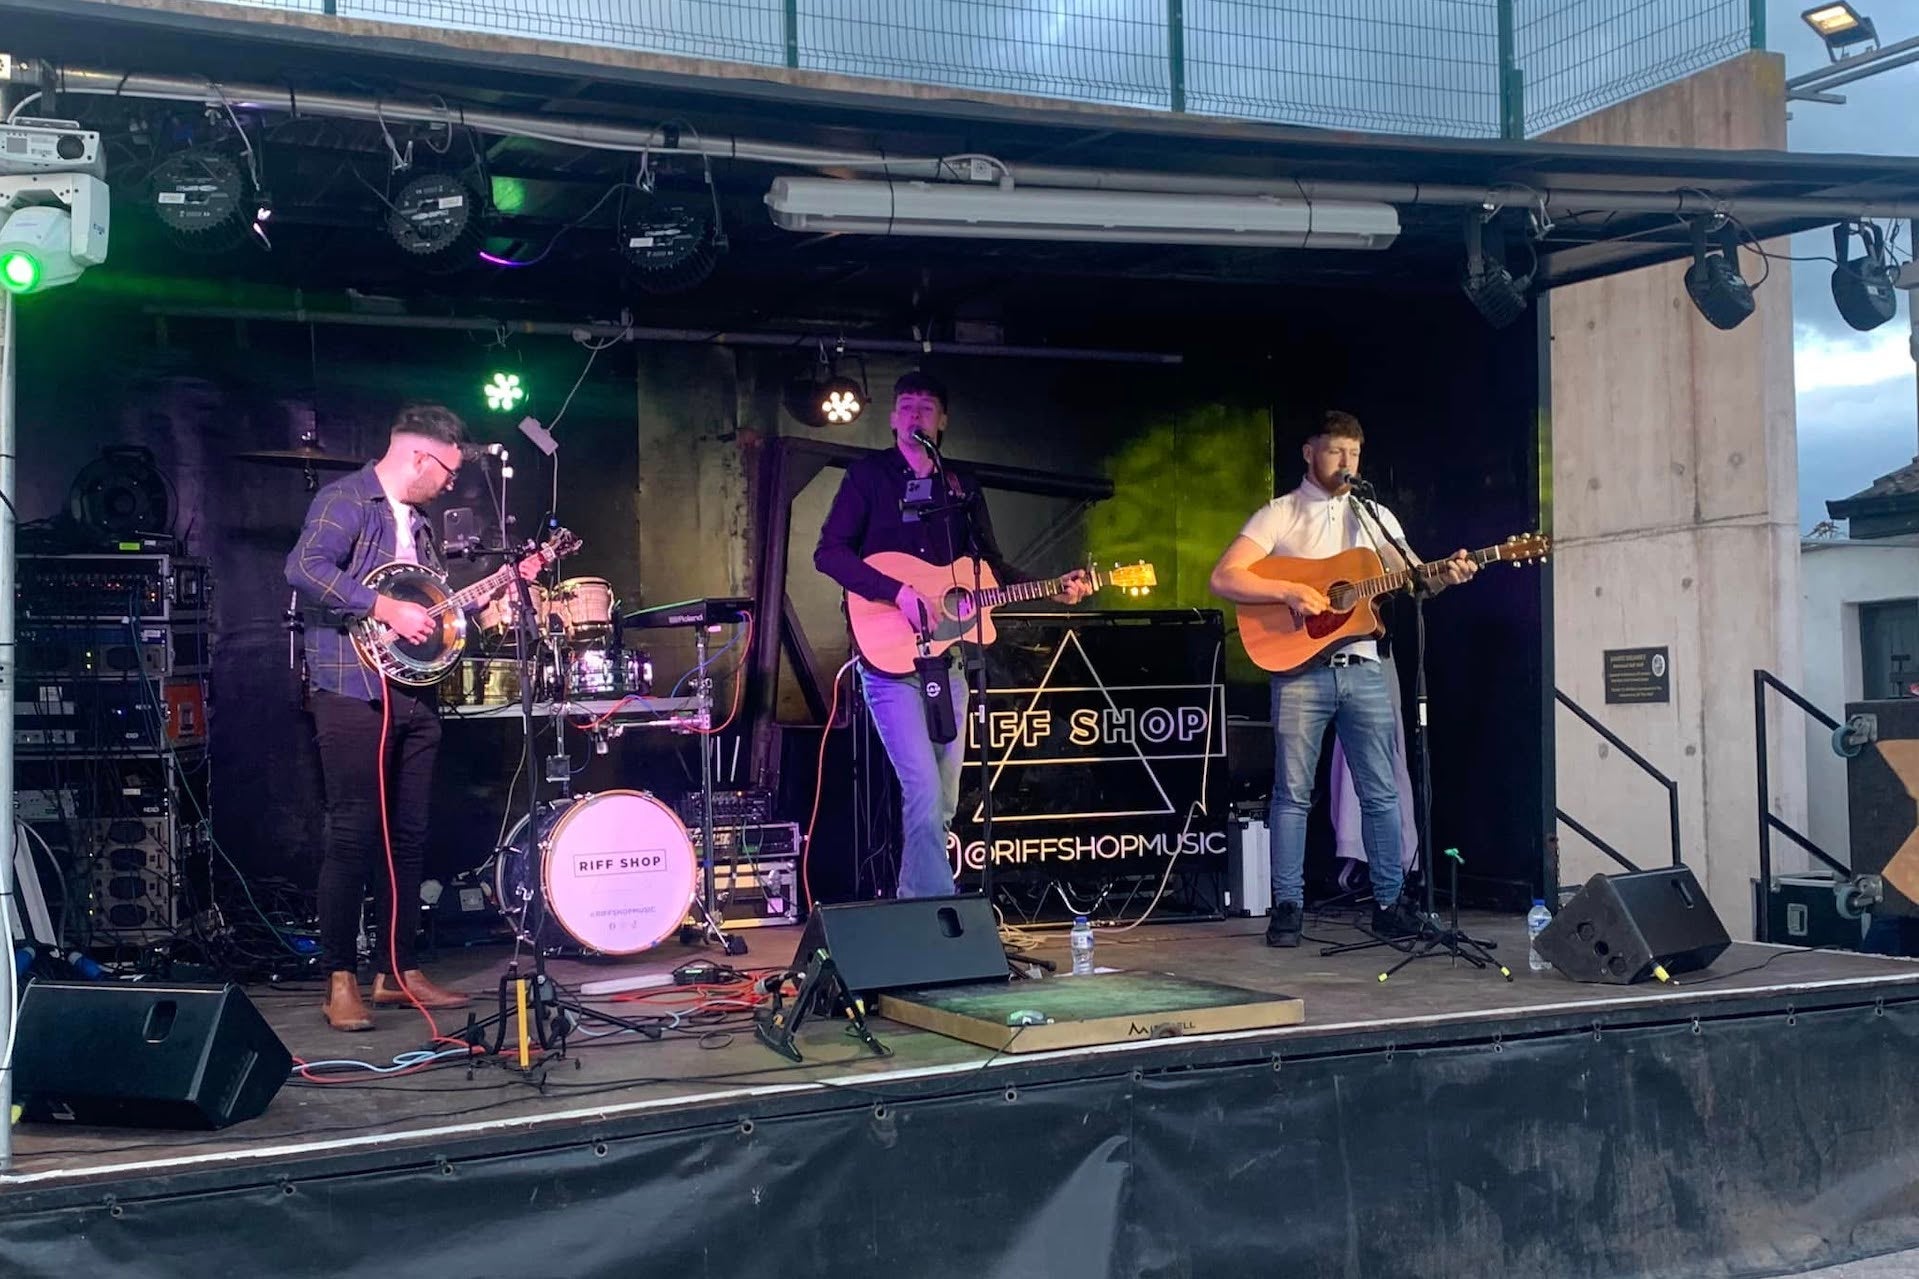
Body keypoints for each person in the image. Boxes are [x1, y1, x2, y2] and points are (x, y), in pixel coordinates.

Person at [287, 403, 530, 1031]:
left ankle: (397, 970)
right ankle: (339, 977)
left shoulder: (417, 525)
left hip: (412, 697)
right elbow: (303, 569)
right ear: (420, 455)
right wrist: (384, 608)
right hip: (350, 689)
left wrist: (495, 592)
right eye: (447, 470)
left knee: (408, 838)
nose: (450, 483)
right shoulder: (347, 499)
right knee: (351, 835)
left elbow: (433, 614)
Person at [815, 371, 1092, 899]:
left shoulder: (961, 485)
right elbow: (828, 553)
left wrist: (1050, 588)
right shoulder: (867, 477)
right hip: (888, 664)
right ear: (893, 417)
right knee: (920, 787)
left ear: (942, 421)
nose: (915, 416)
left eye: (926, 407)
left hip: (947, 663)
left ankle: (913, 905)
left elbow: (989, 564)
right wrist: (894, 591)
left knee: (943, 795)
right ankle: (939, 909)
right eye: (906, 406)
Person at [1208, 410, 1476, 946]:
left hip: (1366, 667)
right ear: (1309, 452)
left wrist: (1447, 576)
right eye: (1336, 452)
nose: (1347, 463)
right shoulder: (1279, 515)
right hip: (1299, 673)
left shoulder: (1374, 517)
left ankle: (1388, 902)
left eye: (1354, 453)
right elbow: (1224, 576)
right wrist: (1287, 591)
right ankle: (1287, 907)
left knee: (1381, 792)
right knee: (1292, 794)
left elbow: (1417, 579)